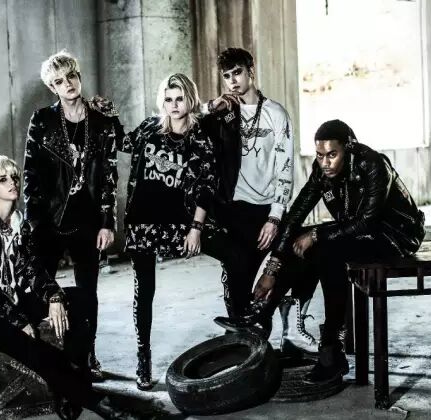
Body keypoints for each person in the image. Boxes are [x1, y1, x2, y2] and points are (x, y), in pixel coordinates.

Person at [0, 156, 127, 419]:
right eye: (3, 179)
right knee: (35, 350)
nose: (13, 183)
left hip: (12, 301)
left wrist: (54, 296)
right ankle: (96, 402)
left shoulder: (17, 222)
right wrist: (19, 320)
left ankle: (71, 385)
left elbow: (32, 268)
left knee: (83, 299)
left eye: (14, 177)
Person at [253, 119, 426, 382]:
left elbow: (367, 221)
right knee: (301, 241)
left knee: (325, 251)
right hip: (356, 232)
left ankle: (332, 351)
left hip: (395, 236)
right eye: (320, 155)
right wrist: (271, 269)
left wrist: (316, 235)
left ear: (349, 148)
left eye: (332, 155)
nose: (325, 163)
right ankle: (264, 315)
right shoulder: (322, 170)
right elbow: (296, 213)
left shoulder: (373, 164)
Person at [23, 51, 123, 381]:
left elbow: (109, 175)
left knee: (88, 292)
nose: (67, 84)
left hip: (87, 220)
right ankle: (44, 356)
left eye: (71, 76)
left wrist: (108, 222)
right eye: (58, 81)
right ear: (52, 88)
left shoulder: (101, 121)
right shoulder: (42, 121)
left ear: (78, 76)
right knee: (41, 289)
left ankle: (87, 355)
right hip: (49, 220)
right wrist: (34, 223)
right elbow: (30, 175)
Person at [119, 73, 216, 390]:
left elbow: (207, 187)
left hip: (178, 224)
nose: (174, 105)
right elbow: (122, 142)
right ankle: (143, 356)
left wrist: (196, 228)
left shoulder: (200, 138)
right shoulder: (149, 128)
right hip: (142, 222)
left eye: (179, 98)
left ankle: (241, 331)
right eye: (168, 99)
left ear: (190, 99)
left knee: (230, 253)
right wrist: (105, 114)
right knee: (144, 289)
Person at [201, 47, 294, 332]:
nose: (233, 81)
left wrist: (275, 216)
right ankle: (244, 333)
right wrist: (210, 107)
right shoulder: (223, 113)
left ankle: (270, 317)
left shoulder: (276, 113)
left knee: (290, 259)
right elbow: (186, 122)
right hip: (233, 208)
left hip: (265, 209)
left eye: (238, 72)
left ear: (250, 71)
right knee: (238, 279)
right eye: (227, 76)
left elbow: (285, 167)